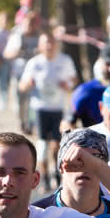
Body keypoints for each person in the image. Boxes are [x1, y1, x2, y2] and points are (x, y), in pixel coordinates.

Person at [18, 32, 78, 189]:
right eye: (46, 43)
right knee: (42, 144)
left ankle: (56, 174)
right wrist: (28, 84)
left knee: (57, 144)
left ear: (56, 44)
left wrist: (67, 85)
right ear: (40, 45)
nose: (49, 46)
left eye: (51, 42)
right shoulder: (34, 63)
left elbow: (74, 80)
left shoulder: (65, 60)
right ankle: (44, 177)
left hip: (59, 108)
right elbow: (22, 86)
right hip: (39, 108)